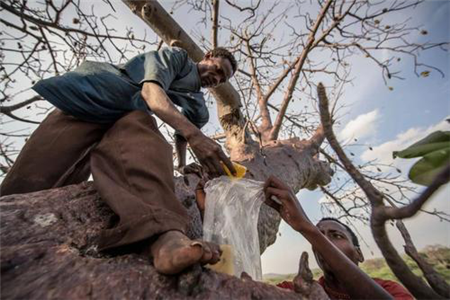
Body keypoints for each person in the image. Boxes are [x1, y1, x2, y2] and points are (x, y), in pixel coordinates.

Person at [0, 46, 238, 275]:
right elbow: (151, 93)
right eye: (217, 69)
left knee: (148, 144)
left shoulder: (197, 105)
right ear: (207, 56)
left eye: (221, 80)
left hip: (128, 118)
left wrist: (182, 163)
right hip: (92, 99)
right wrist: (195, 135)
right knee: (29, 182)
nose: (216, 79)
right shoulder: (178, 58)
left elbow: (183, 136)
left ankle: (165, 235)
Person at [263, 176, 413, 299]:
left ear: (359, 254)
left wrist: (308, 228)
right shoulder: (295, 291)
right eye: (320, 236)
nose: (325, 241)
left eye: (336, 235)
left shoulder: (390, 289)